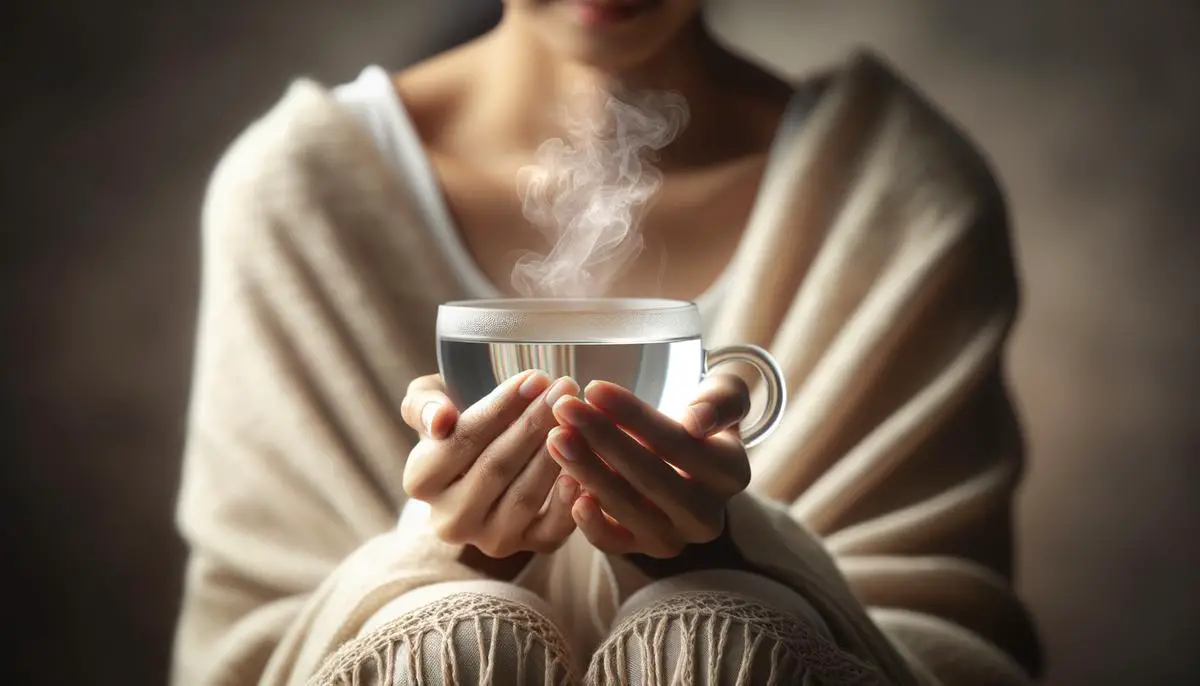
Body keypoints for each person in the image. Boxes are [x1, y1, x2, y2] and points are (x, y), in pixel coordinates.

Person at [172, 1, 1043, 684]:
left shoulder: (897, 197)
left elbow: (948, 645)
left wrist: (721, 556)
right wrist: (455, 556)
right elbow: (250, 652)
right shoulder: (299, 191)